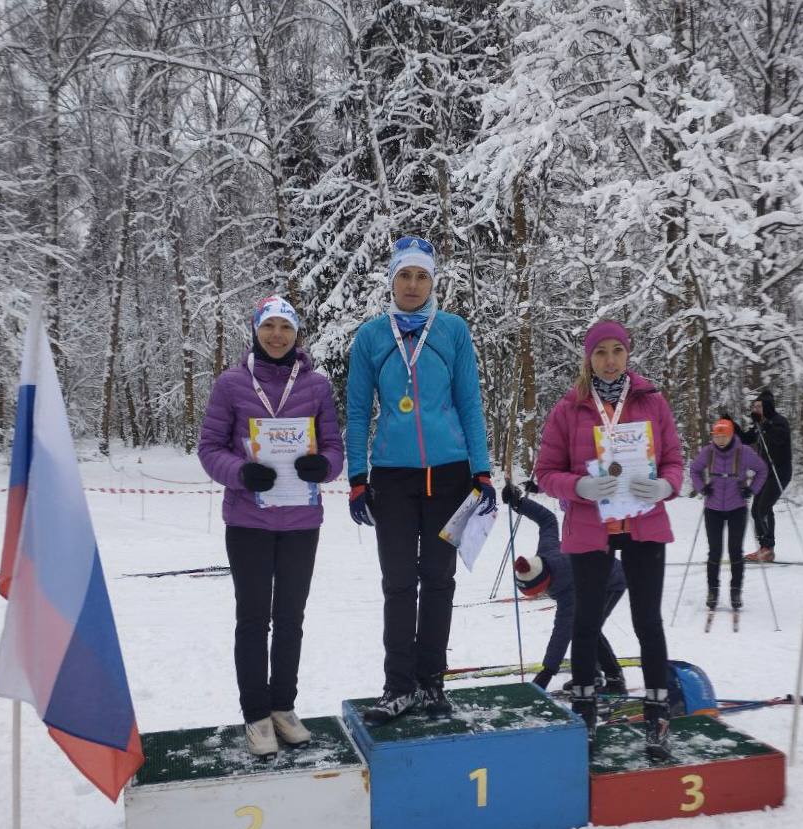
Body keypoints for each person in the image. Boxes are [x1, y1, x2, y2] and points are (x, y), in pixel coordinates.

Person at [346, 236, 495, 725]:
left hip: (449, 475)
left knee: (439, 580)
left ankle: (432, 684)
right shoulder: (371, 336)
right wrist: (357, 477)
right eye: (404, 276)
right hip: (392, 476)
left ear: (433, 281)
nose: (412, 285)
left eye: (421, 276)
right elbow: (355, 410)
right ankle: (398, 687)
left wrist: (482, 468)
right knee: (397, 583)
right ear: (391, 280)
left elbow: (470, 402)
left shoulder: (453, 330)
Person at [198, 295, 344, 756]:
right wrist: (240, 473)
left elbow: (335, 447)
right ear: (256, 330)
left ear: (297, 333)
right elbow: (209, 448)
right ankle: (256, 715)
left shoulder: (317, 386)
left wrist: (324, 466)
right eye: (269, 327)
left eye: (286, 327)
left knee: (290, 618)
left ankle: (283, 706)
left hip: (301, 520)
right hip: (249, 520)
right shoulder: (231, 383)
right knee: (253, 618)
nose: (277, 335)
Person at [535, 319, 683, 758]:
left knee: (647, 621)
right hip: (589, 527)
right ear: (588, 358)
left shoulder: (652, 402)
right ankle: (585, 713)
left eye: (617, 351)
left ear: (628, 354)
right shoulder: (569, 408)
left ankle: (657, 715)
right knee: (585, 621)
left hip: (644, 523)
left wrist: (665, 486)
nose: (610, 360)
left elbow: (675, 460)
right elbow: (546, 472)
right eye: (601, 352)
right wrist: (577, 486)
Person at [503, 482, 628, 693]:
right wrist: (519, 503)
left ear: (544, 584)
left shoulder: (566, 587)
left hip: (611, 581)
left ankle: (615, 679)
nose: (539, 596)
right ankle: (593, 676)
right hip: (593, 574)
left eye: (537, 592)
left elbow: (562, 632)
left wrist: (547, 672)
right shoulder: (546, 552)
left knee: (588, 629)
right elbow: (547, 520)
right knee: (586, 628)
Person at [690, 419, 768, 611]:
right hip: (713, 507)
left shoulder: (744, 452)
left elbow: (762, 470)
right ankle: (713, 591)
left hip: (737, 507)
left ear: (732, 434)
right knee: (714, 551)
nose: (720, 440)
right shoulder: (708, 452)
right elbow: (694, 470)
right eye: (717, 436)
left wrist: (751, 490)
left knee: (735, 550)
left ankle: (735, 591)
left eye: (724, 436)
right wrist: (702, 488)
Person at [740, 389, 792, 562]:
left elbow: (778, 441)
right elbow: (747, 439)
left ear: (768, 406)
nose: (756, 409)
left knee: (763, 508)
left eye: (759, 406)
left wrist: (765, 427)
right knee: (756, 509)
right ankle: (764, 547)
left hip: (780, 472)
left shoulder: (779, 422)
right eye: (754, 406)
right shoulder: (760, 424)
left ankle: (768, 548)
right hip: (765, 472)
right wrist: (733, 427)